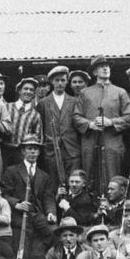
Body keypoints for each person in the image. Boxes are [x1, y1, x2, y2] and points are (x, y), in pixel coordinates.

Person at [1, 135, 58, 259]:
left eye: (36, 149)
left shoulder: (44, 175)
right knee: (21, 252)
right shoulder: (12, 171)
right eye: (29, 148)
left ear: (39, 152)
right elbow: (4, 194)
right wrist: (17, 204)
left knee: (54, 234)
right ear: (23, 151)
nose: (33, 151)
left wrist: (51, 212)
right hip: (19, 216)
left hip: (37, 214)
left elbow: (48, 197)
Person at [75, 56, 130, 196]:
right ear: (95, 72)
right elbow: (76, 117)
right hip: (90, 143)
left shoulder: (120, 92)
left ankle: (113, 211)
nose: (106, 68)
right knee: (90, 178)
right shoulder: (85, 93)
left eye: (107, 66)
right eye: (101, 66)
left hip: (112, 143)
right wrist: (89, 124)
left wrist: (111, 122)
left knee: (112, 178)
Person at [38, 65, 83, 193]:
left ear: (67, 81)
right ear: (51, 81)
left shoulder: (74, 101)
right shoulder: (43, 103)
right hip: (51, 149)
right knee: (52, 185)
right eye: (57, 80)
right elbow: (40, 126)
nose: (60, 83)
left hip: (71, 149)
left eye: (63, 80)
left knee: (73, 184)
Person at [5, 77, 44, 171]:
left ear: (34, 94)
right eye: (25, 89)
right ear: (19, 90)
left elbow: (38, 136)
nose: (28, 92)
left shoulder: (35, 115)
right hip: (5, 149)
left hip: (22, 152)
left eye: (31, 90)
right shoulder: (7, 107)